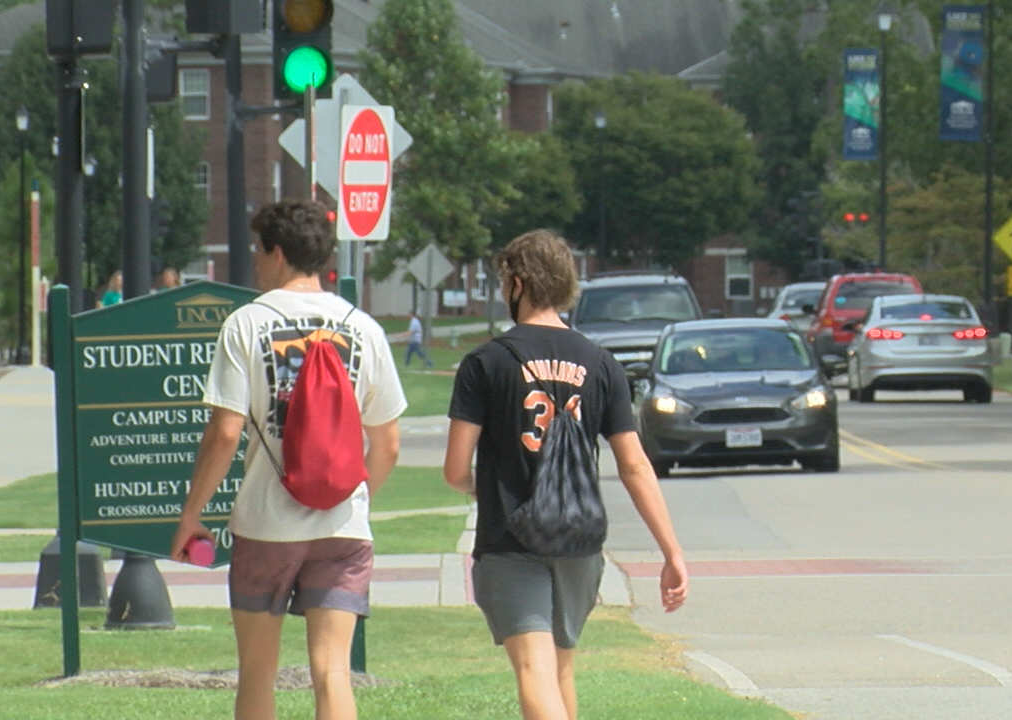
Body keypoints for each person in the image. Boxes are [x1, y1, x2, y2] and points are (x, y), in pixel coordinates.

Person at [171, 199, 406, 720]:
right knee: (332, 672)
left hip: (266, 525)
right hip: (343, 530)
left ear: (277, 253)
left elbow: (225, 432)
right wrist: (356, 498)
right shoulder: (363, 328)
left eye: (259, 250)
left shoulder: (245, 324)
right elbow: (387, 443)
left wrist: (192, 515)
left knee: (257, 673)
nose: (255, 261)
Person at [444, 229, 688, 720]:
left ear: (517, 282)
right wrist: (672, 551)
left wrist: (480, 485)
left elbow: (454, 469)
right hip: (578, 542)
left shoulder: (485, 363)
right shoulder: (601, 363)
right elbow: (635, 465)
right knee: (559, 671)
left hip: (511, 541)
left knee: (534, 672)